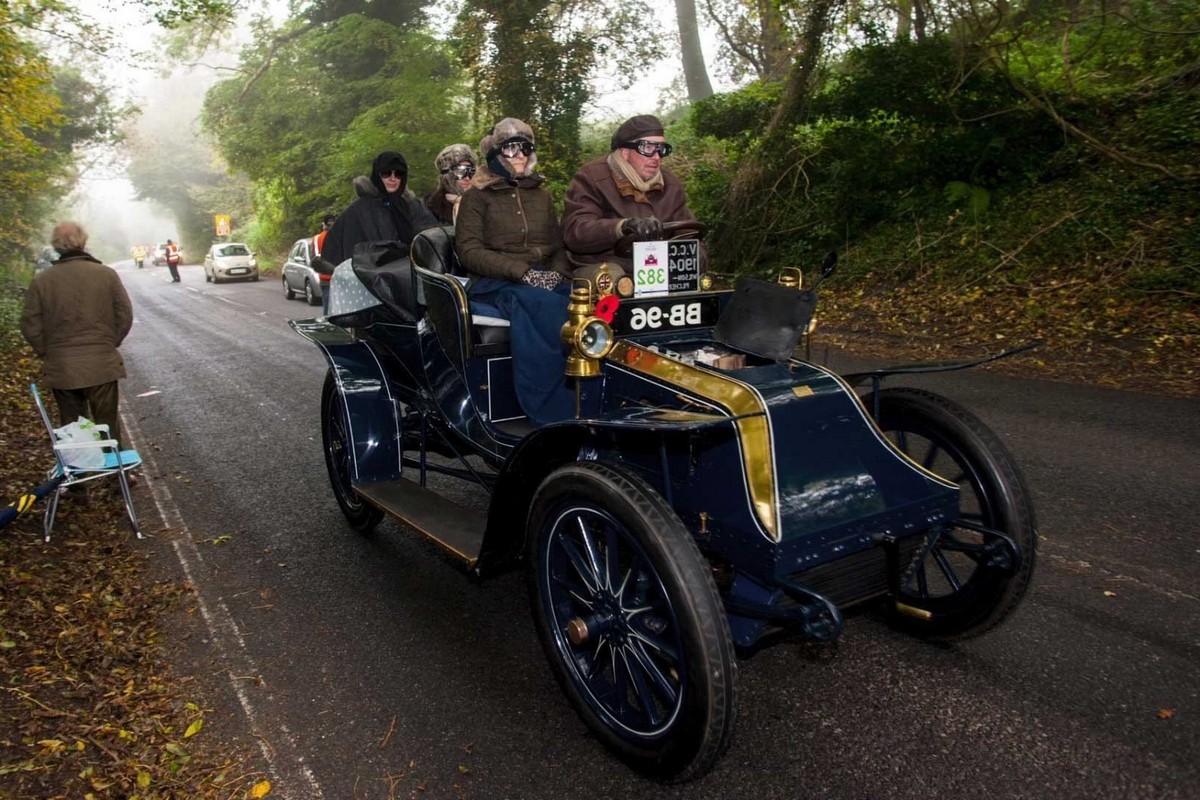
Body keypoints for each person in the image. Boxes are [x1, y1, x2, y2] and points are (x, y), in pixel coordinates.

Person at [455, 118, 575, 426]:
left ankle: (595, 392)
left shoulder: (542, 195)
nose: (520, 154)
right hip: (496, 282)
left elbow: (558, 245)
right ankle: (551, 412)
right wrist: (522, 272)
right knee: (542, 305)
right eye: (511, 148)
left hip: (544, 276)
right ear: (496, 155)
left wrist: (559, 274)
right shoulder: (476, 197)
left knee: (585, 300)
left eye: (525, 148)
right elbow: (469, 252)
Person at [21, 221, 134, 449]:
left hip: (62, 367)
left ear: (55, 245)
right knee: (108, 423)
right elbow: (125, 315)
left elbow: (29, 324)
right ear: (83, 241)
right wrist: (108, 343)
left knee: (72, 426)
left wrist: (48, 352)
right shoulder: (105, 274)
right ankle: (117, 476)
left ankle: (80, 481)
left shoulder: (42, 281)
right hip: (101, 364)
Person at [561, 114, 705, 275]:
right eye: (648, 148)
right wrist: (622, 227)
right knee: (614, 281)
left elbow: (688, 232)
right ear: (624, 152)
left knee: (699, 283)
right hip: (604, 264)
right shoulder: (592, 177)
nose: (656, 157)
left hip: (656, 267)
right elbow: (576, 232)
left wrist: (697, 256)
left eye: (661, 149)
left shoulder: (670, 184)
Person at [321, 151, 439, 269]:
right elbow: (341, 246)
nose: (392, 179)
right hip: (372, 279)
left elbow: (432, 237)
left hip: (412, 276)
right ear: (377, 174)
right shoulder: (360, 210)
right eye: (386, 173)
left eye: (398, 173)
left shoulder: (412, 206)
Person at [425, 144, 477, 225]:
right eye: (460, 171)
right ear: (447, 175)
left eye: (471, 172)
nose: (467, 178)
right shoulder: (433, 207)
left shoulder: (481, 201)